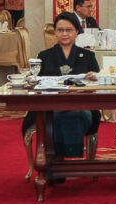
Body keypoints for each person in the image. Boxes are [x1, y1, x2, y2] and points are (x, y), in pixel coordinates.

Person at [21, 12, 100, 159]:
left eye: (69, 30)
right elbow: (37, 81)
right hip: (50, 105)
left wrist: (94, 77)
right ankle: (58, 160)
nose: (64, 34)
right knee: (55, 115)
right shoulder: (44, 56)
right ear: (55, 32)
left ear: (76, 31)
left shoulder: (88, 56)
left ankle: (66, 160)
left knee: (76, 114)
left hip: (81, 104)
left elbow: (97, 83)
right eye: (60, 30)